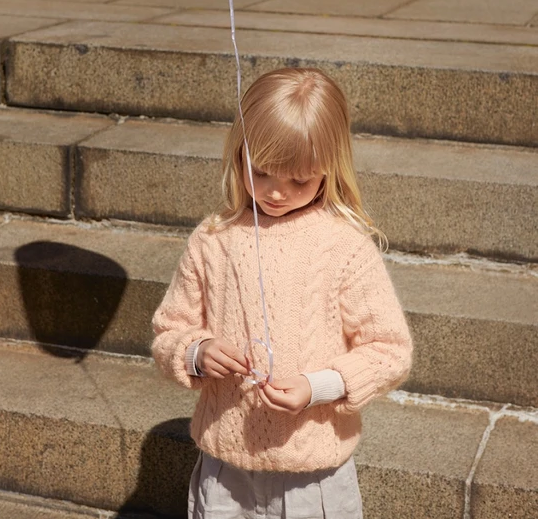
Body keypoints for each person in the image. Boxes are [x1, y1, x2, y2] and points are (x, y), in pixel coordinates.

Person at [152, 67, 412, 519]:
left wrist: (318, 386)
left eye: (300, 179)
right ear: (239, 155)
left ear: (329, 170)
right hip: (225, 472)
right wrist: (197, 351)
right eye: (262, 171)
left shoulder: (343, 246)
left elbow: (389, 351)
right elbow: (168, 332)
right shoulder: (214, 239)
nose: (276, 192)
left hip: (314, 477)